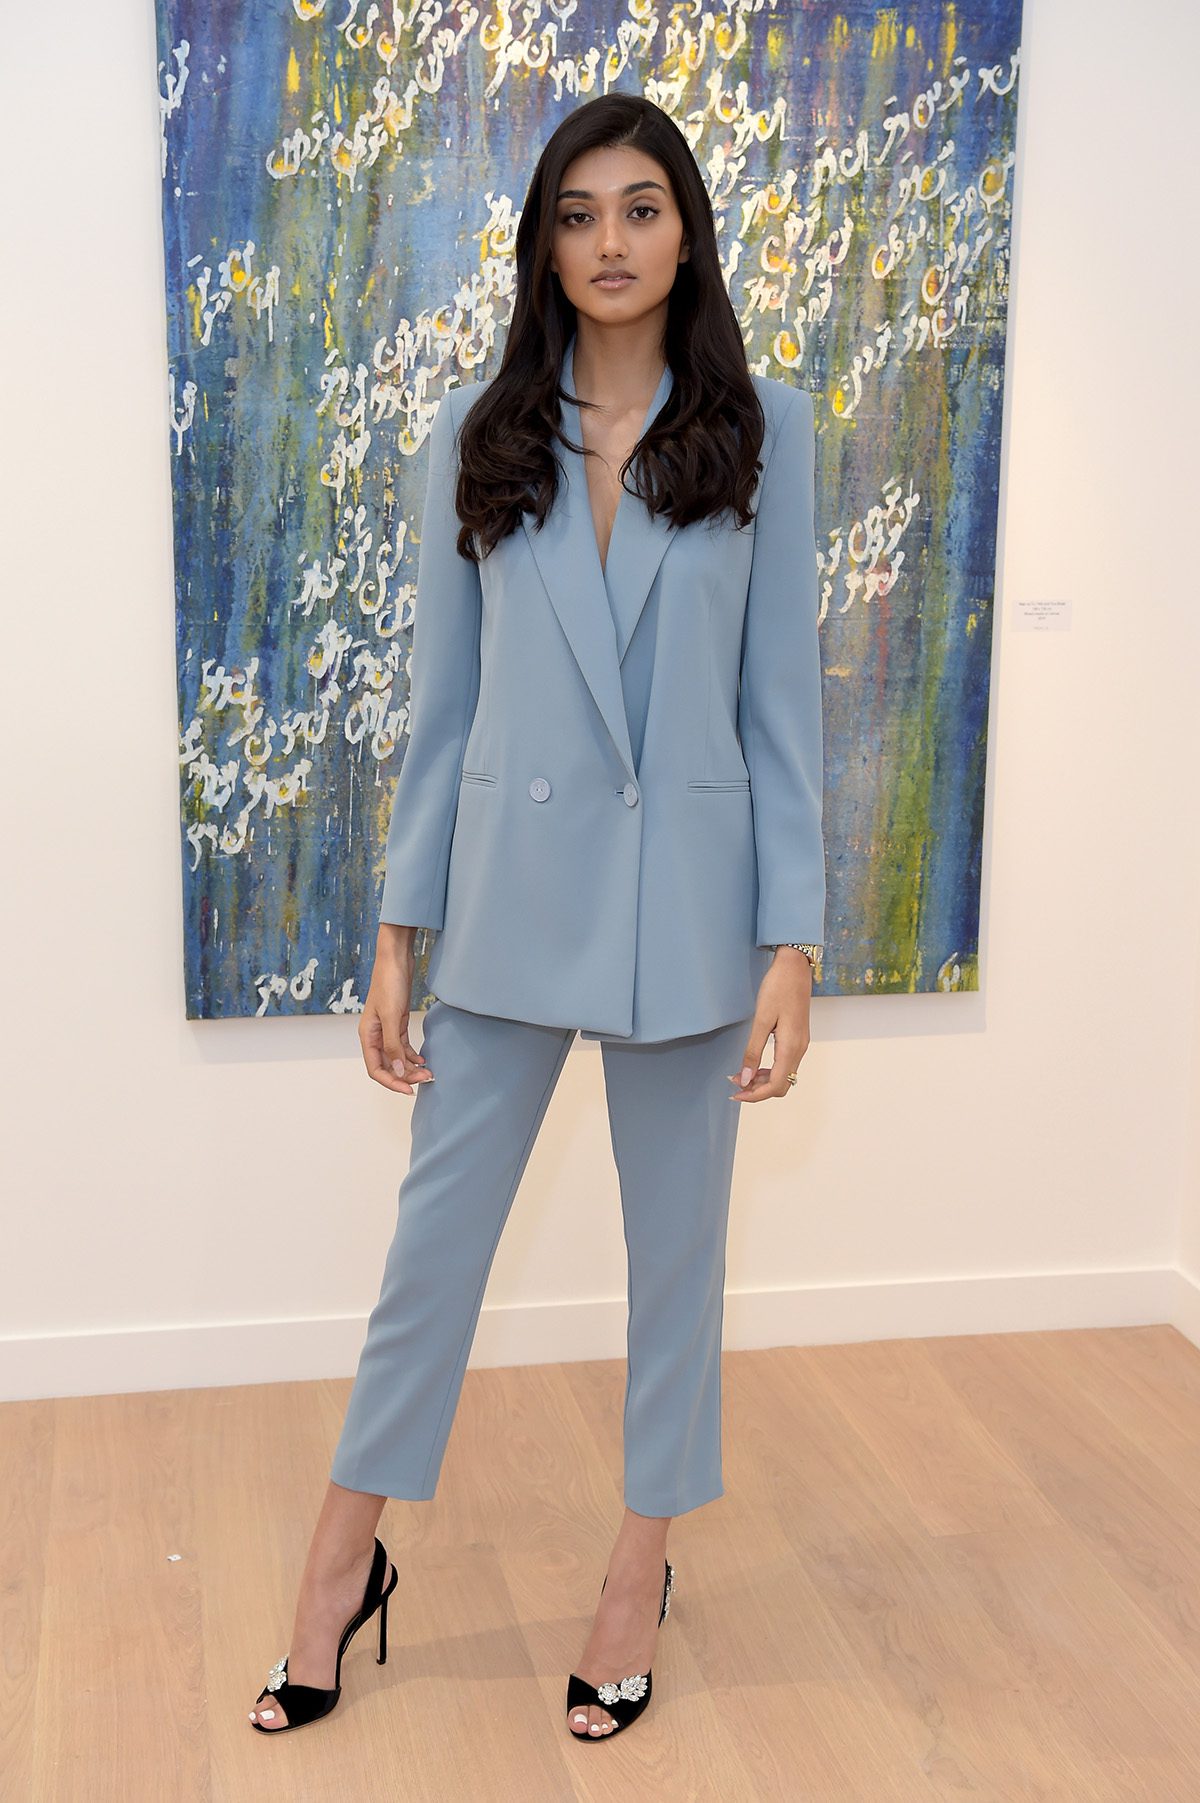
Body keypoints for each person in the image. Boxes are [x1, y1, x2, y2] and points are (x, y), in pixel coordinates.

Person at [248, 89, 825, 1744]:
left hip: (693, 917)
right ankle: (339, 1562)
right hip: (507, 900)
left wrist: (792, 940)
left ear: (688, 229)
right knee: (432, 1256)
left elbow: (784, 713)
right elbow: (444, 713)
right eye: (578, 216)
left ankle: (638, 1570)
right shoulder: (477, 433)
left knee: (676, 1265)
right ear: (544, 247)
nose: (612, 244)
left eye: (641, 209)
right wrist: (394, 929)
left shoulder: (760, 431)